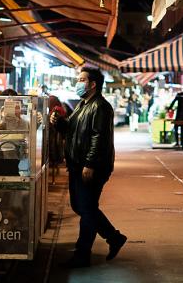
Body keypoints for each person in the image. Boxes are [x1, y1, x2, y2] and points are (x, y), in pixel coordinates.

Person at [51, 69, 126, 268]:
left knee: (87, 209)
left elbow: (98, 137)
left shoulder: (101, 107)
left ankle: (83, 253)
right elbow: (73, 130)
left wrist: (90, 163)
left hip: (91, 166)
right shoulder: (83, 105)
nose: (78, 83)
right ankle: (114, 238)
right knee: (82, 206)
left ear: (93, 84)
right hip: (77, 164)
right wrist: (59, 123)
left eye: (81, 80)